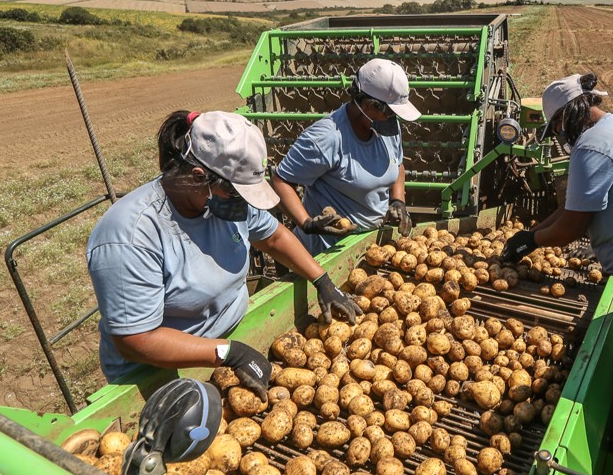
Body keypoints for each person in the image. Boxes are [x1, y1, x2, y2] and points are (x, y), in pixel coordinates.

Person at [86, 110, 362, 391]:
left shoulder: (225, 201)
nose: (244, 205)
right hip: (160, 373)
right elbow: (136, 341)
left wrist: (322, 280)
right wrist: (228, 353)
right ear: (197, 177)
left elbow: (274, 237)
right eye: (235, 194)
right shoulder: (130, 235)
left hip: (229, 344)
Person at [501, 73, 613, 280]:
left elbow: (571, 228)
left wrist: (530, 242)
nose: (559, 134)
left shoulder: (593, 144)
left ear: (565, 115)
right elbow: (572, 207)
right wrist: (531, 234)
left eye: (556, 128)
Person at [272, 59, 419, 256]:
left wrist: (397, 201)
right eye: (391, 113)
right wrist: (307, 224)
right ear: (368, 106)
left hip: (372, 247)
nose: (395, 120)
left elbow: (397, 164)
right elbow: (281, 180)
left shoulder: (388, 128)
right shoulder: (327, 137)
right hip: (328, 251)